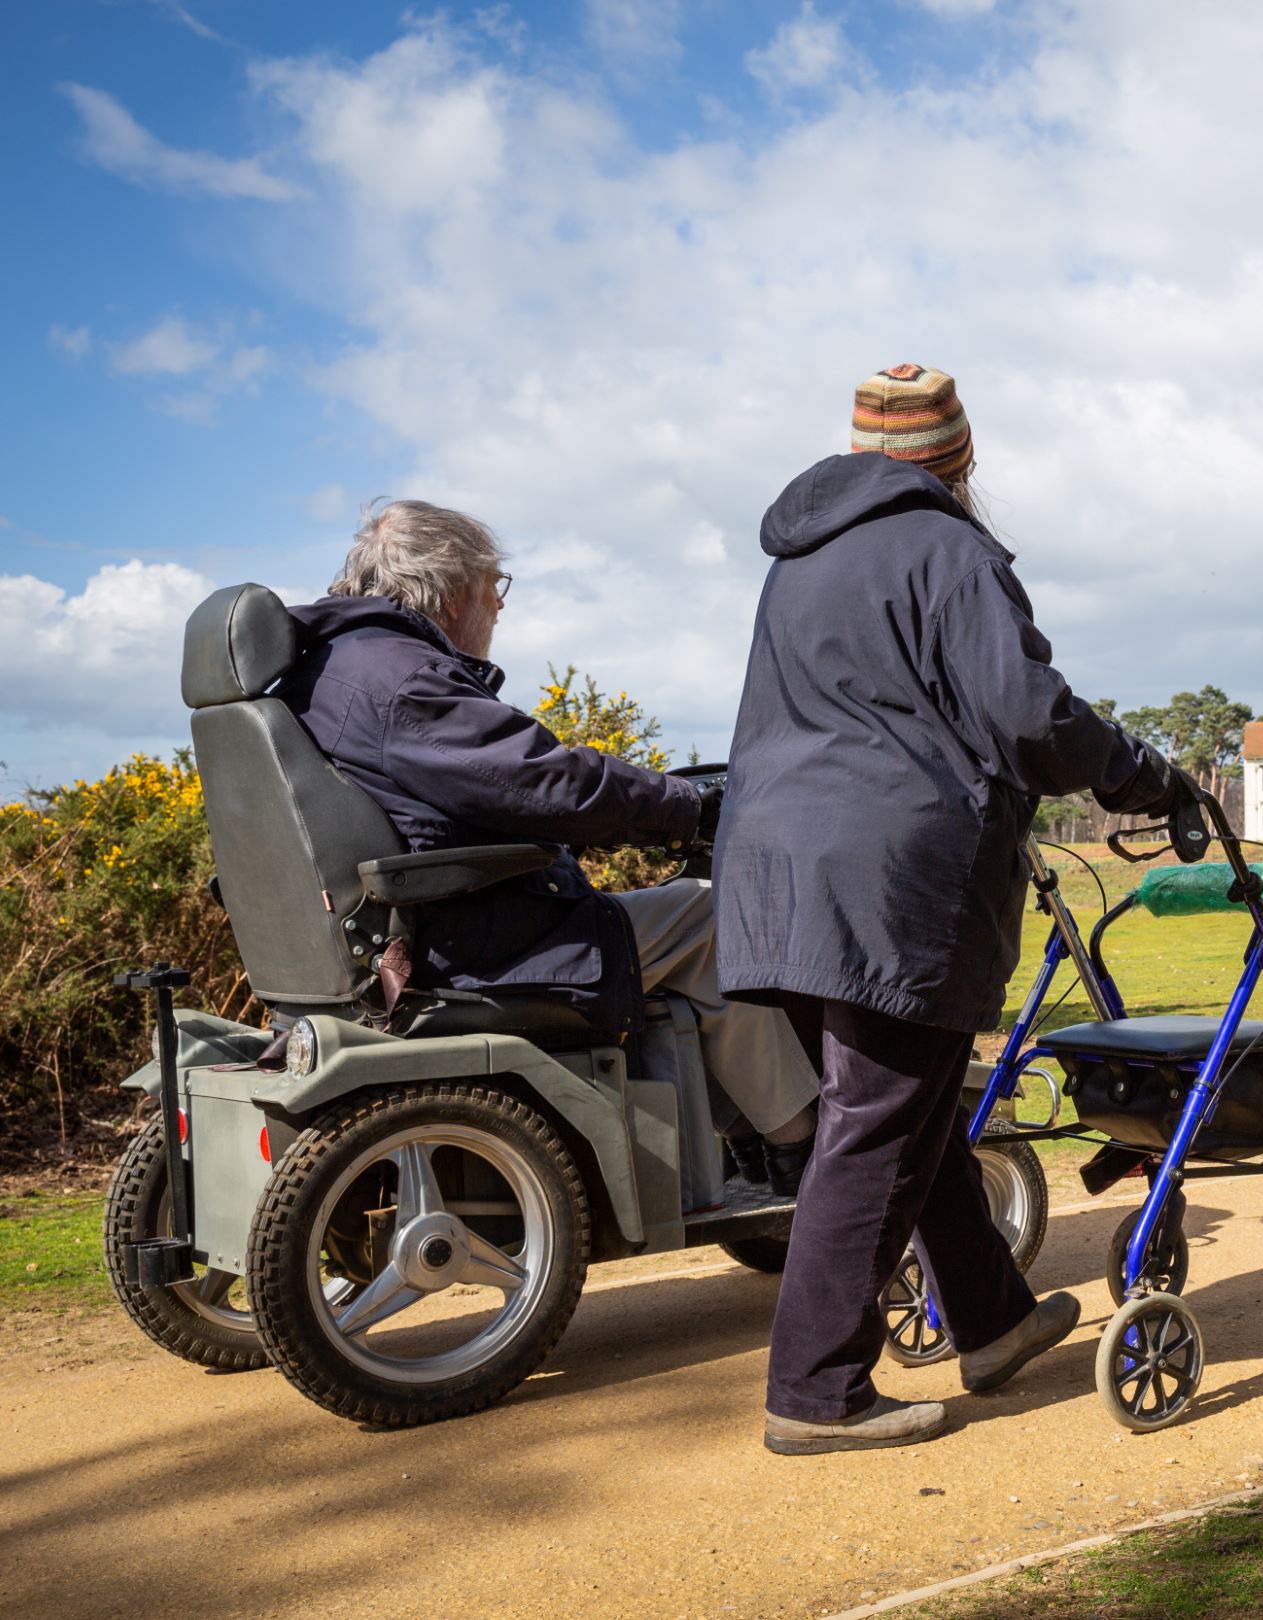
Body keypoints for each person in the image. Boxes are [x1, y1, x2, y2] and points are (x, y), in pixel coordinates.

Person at [718, 364, 1189, 1455]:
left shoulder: (797, 563)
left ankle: (994, 1322)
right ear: (959, 458)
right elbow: (1030, 718)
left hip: (767, 873)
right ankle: (815, 1390)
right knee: (877, 1122)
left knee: (907, 1113)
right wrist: (1143, 774)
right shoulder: (950, 550)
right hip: (888, 876)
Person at [281, 500, 821, 1186]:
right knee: (709, 916)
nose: (498, 609)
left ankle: (745, 1140)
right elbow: (539, 780)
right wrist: (685, 811)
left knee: (670, 927)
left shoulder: (330, 666)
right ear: (450, 593)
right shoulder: (405, 681)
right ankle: (804, 1154)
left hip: (421, 931)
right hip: (470, 944)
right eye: (493, 587)